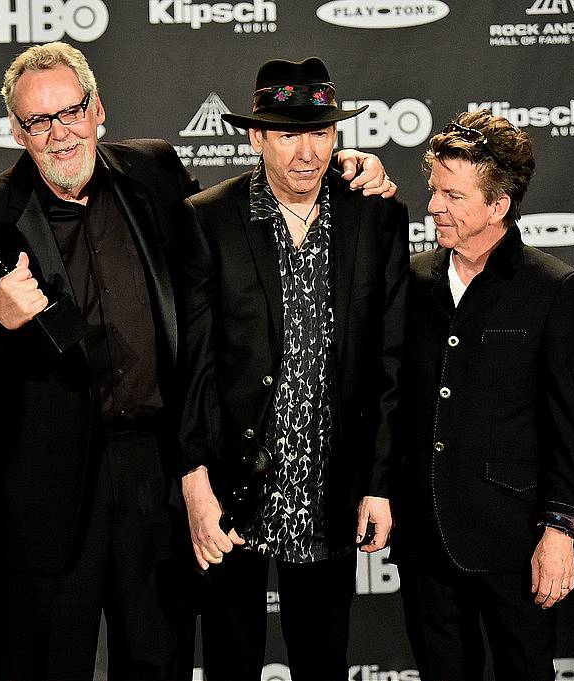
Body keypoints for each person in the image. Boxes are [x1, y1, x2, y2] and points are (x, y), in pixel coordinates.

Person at [0, 42, 395, 681]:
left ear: (97, 109)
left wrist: (345, 167)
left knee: (158, 659)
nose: (59, 133)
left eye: (70, 112)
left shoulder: (156, 173)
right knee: (40, 662)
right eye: (38, 122)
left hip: (154, 466)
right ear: (17, 131)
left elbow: (253, 221)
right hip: (48, 480)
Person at [178, 57, 409, 680]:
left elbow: (391, 363)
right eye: (287, 134)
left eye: (322, 133)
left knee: (323, 661)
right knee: (230, 661)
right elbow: (192, 364)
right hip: (235, 487)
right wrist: (195, 479)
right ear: (255, 137)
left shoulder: (377, 214)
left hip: (331, 486)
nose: (307, 152)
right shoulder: (208, 218)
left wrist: (380, 482)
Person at [392, 109, 574, 681]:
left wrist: (559, 530)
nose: (434, 206)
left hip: (514, 537)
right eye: (435, 191)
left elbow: (570, 425)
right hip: (426, 534)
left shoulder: (553, 289)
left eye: (453, 196)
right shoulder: (412, 279)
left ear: (498, 205)